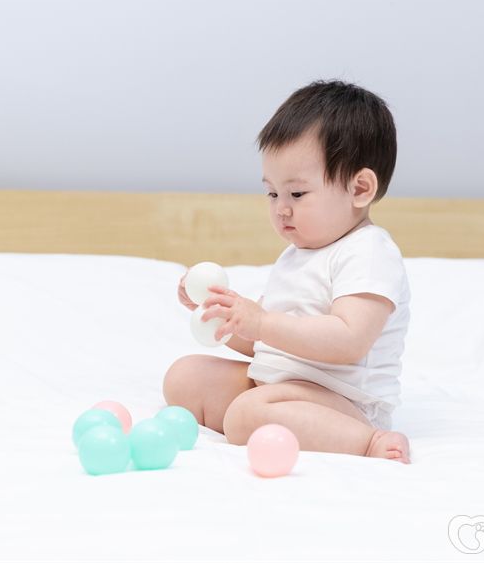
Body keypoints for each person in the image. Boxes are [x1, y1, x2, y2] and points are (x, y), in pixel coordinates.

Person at [163, 80, 411, 463]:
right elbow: (265, 343)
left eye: (296, 194)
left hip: (340, 401)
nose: (281, 208)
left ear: (359, 188)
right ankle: (268, 413)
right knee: (185, 376)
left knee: (245, 415)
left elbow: (349, 341)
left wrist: (262, 322)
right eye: (272, 193)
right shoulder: (298, 255)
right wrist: (222, 315)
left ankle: (367, 441)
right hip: (283, 385)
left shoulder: (368, 252)